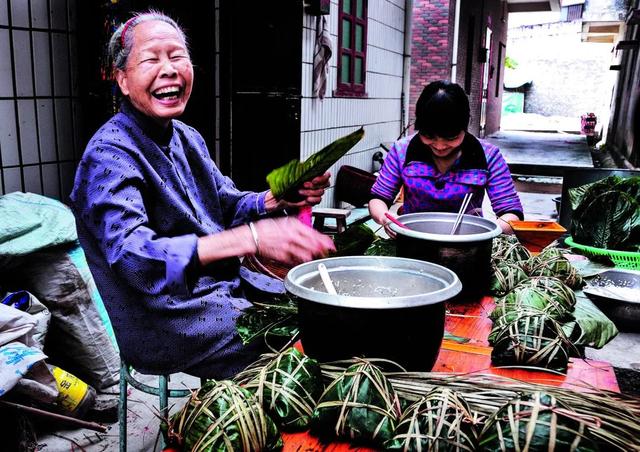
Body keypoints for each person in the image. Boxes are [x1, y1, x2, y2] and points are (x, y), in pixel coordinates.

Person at [69, 11, 335, 379]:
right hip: (164, 317)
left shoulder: (186, 137)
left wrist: (276, 200)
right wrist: (251, 238)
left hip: (217, 292)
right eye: (151, 59)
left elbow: (226, 203)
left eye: (177, 56)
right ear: (123, 80)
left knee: (315, 312)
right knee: (291, 348)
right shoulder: (109, 154)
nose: (169, 70)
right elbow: (135, 260)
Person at [369, 80, 523, 237]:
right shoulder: (401, 151)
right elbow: (378, 198)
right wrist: (385, 217)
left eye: (451, 137)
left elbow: (512, 213)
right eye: (429, 136)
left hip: (469, 245)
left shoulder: (488, 155)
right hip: (412, 241)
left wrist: (484, 233)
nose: (440, 146)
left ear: (465, 126)